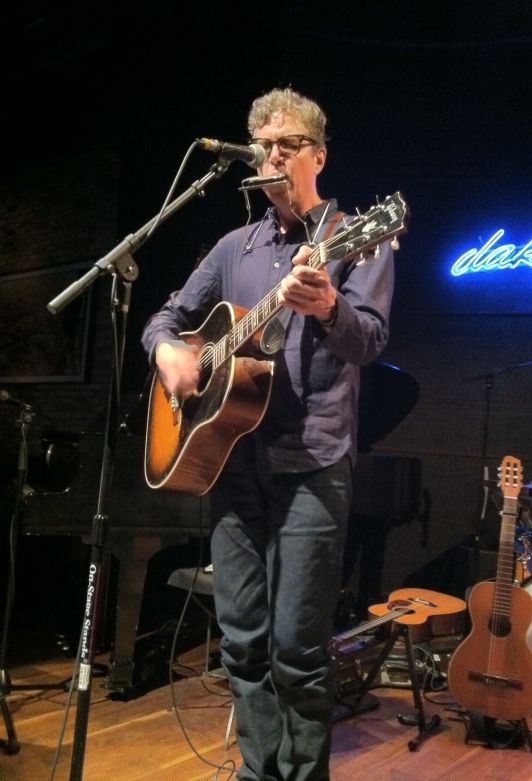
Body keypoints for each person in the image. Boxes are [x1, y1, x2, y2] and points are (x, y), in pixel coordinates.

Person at [141, 87, 394, 781]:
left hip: (312, 461)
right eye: (264, 145)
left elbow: (370, 340)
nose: (272, 155)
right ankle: (260, 771)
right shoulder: (234, 247)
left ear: (317, 154)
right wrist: (170, 352)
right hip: (231, 460)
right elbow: (165, 319)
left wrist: (330, 307)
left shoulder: (355, 236)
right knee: (243, 641)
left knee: (296, 646)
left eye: (286, 144)